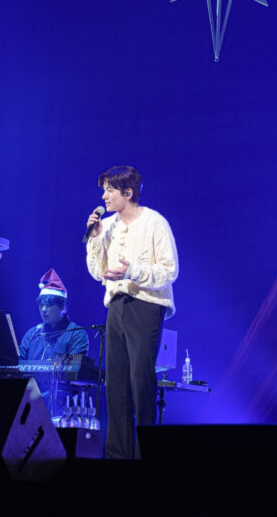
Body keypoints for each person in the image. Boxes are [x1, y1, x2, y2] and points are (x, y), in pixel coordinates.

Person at [85, 165, 178, 459]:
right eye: (103, 190)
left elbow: (170, 270)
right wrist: (95, 238)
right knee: (115, 381)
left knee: (141, 379)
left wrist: (132, 271)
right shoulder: (107, 225)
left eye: (110, 190)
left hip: (146, 304)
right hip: (115, 304)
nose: (104, 196)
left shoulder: (155, 223)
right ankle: (117, 455)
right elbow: (96, 272)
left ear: (128, 192)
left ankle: (145, 454)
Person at [18, 268, 89, 418]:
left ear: (63, 307)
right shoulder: (32, 334)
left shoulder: (76, 333)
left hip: (63, 405)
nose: (44, 309)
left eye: (49, 305)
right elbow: (17, 364)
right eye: (41, 305)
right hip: (29, 402)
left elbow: (74, 370)